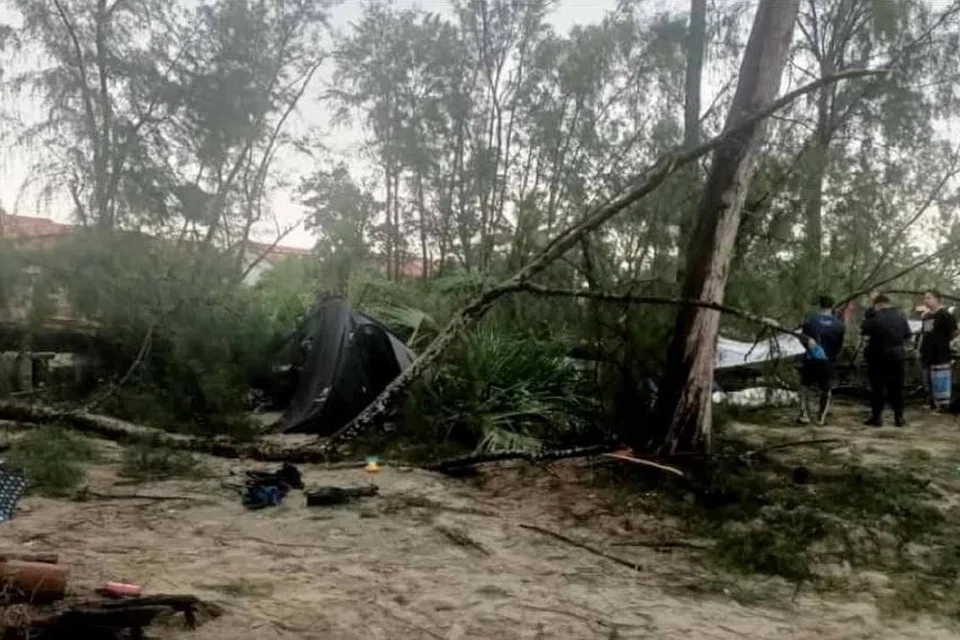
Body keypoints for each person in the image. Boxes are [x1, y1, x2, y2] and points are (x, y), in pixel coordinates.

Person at [861, 295, 913, 427]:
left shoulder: (874, 317)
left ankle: (877, 417)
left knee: (877, 387)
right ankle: (899, 417)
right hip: (897, 355)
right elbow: (907, 335)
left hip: (878, 355)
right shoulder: (900, 317)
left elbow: (865, 334)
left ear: (877, 305)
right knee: (896, 387)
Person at [797, 295, 845, 425]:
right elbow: (839, 345)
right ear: (832, 306)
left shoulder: (810, 320)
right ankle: (820, 418)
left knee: (804, 386)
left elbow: (803, 339)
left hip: (811, 358)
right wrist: (833, 357)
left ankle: (804, 415)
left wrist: (810, 350)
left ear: (819, 305)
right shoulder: (839, 324)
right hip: (828, 360)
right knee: (826, 389)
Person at [918, 289, 957, 411]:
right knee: (927, 380)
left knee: (940, 380)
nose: (926, 300)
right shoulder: (926, 316)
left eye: (929, 298)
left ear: (936, 298)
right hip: (927, 353)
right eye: (925, 298)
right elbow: (924, 334)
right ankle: (932, 403)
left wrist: (946, 342)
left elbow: (954, 331)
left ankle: (943, 405)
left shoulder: (945, 314)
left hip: (940, 353)